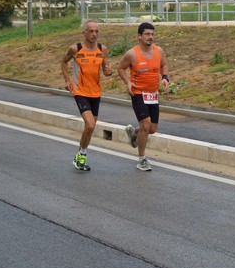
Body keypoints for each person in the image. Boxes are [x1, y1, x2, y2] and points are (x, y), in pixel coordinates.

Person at [61, 19, 112, 171]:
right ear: (84, 33)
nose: (94, 34)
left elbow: (105, 68)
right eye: (91, 31)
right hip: (80, 92)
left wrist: (108, 72)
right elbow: (64, 62)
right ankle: (82, 155)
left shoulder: (102, 49)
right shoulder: (75, 49)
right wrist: (68, 80)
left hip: (96, 93)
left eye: (96, 31)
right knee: (90, 124)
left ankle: (80, 155)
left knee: (90, 127)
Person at [117, 22, 169, 171]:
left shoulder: (159, 51)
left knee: (152, 129)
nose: (150, 37)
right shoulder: (132, 54)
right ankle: (142, 159)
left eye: (152, 34)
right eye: (147, 34)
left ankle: (134, 132)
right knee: (145, 124)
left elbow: (164, 65)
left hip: (153, 94)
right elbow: (120, 68)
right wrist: (127, 82)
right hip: (138, 93)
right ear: (139, 36)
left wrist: (165, 77)